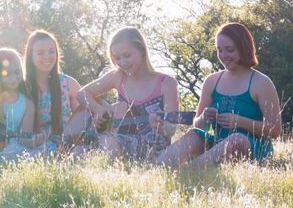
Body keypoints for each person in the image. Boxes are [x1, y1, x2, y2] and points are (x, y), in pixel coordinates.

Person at [157, 22, 281, 167]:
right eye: (219, 50)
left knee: (237, 139)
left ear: (244, 48)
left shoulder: (261, 82)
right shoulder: (212, 81)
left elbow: (275, 130)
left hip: (252, 147)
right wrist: (204, 118)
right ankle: (163, 167)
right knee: (194, 135)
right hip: (217, 144)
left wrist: (239, 122)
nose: (223, 55)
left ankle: (190, 172)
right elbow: (198, 125)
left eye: (229, 50)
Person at [76, 27, 179, 160]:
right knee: (77, 151)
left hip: (153, 149)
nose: (122, 63)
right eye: (117, 58)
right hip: (115, 139)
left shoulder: (167, 83)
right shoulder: (118, 76)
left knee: (108, 143)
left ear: (142, 50)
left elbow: (171, 131)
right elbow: (82, 93)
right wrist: (99, 109)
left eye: (127, 55)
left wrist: (160, 125)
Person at [23, 30, 81, 151]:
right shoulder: (23, 86)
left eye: (51, 51)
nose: (47, 57)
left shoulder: (69, 84)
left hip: (65, 146)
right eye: (40, 53)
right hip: (32, 147)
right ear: (30, 56)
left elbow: (81, 119)